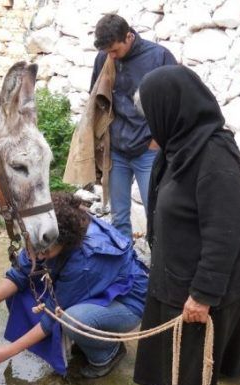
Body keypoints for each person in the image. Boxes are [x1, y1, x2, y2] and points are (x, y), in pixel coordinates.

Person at [132, 65, 240, 385]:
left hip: (204, 293)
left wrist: (203, 294)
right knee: (178, 366)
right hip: (176, 281)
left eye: (152, 116)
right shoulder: (180, 148)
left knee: (199, 373)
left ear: (173, 109)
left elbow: (227, 229)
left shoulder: (213, 155)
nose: (149, 126)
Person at [0, 192, 148, 378]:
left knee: (72, 319)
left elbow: (54, 315)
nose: (35, 256)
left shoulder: (85, 260)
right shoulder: (44, 232)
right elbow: (20, 274)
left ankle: (108, 353)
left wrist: (8, 351)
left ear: (65, 243)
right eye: (31, 247)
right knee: (22, 288)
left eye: (44, 252)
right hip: (95, 287)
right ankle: (81, 340)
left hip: (127, 303)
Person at [90, 14, 177, 240]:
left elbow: (176, 102)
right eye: (107, 51)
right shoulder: (104, 59)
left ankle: (159, 269)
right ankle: (124, 266)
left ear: (129, 36)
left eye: (115, 50)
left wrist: (157, 141)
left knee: (157, 214)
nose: (111, 56)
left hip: (149, 151)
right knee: (118, 217)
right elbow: (96, 101)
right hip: (117, 151)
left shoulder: (159, 57)